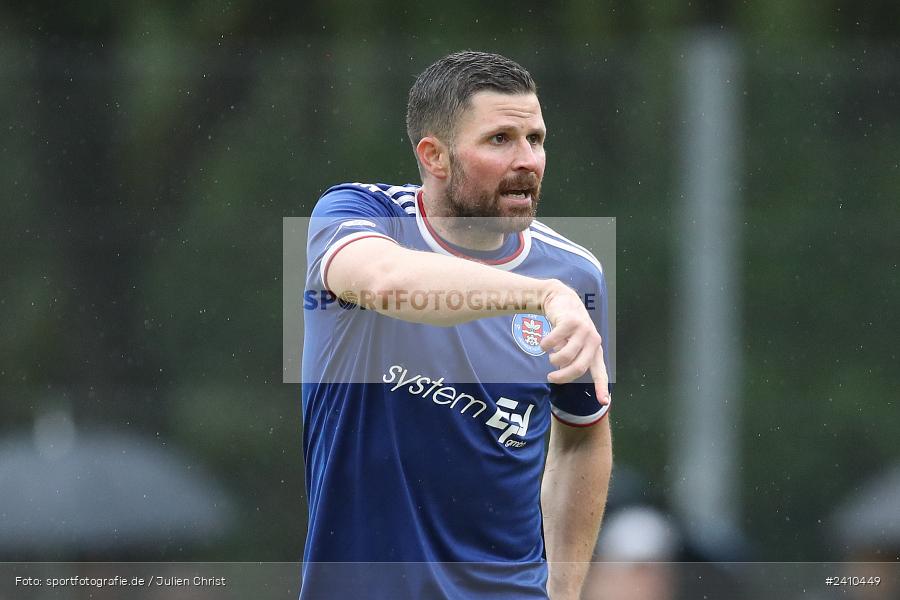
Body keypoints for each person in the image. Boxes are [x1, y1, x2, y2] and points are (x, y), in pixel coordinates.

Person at [300, 51, 613, 599]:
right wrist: (542, 297)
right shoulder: (362, 216)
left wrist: (561, 592)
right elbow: (386, 284)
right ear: (435, 155)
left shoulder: (574, 272)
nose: (528, 160)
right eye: (500, 140)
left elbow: (581, 438)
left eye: (536, 139)